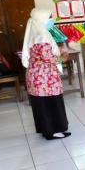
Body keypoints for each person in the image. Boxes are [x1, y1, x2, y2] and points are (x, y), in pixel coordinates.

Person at [22, 8, 70, 140]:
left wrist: (57, 51)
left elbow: (41, 54)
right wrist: (63, 57)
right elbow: (48, 58)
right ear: (42, 19)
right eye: (50, 17)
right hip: (45, 78)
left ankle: (45, 128)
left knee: (41, 104)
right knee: (51, 103)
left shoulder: (36, 33)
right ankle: (53, 131)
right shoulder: (42, 36)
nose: (51, 20)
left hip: (37, 76)